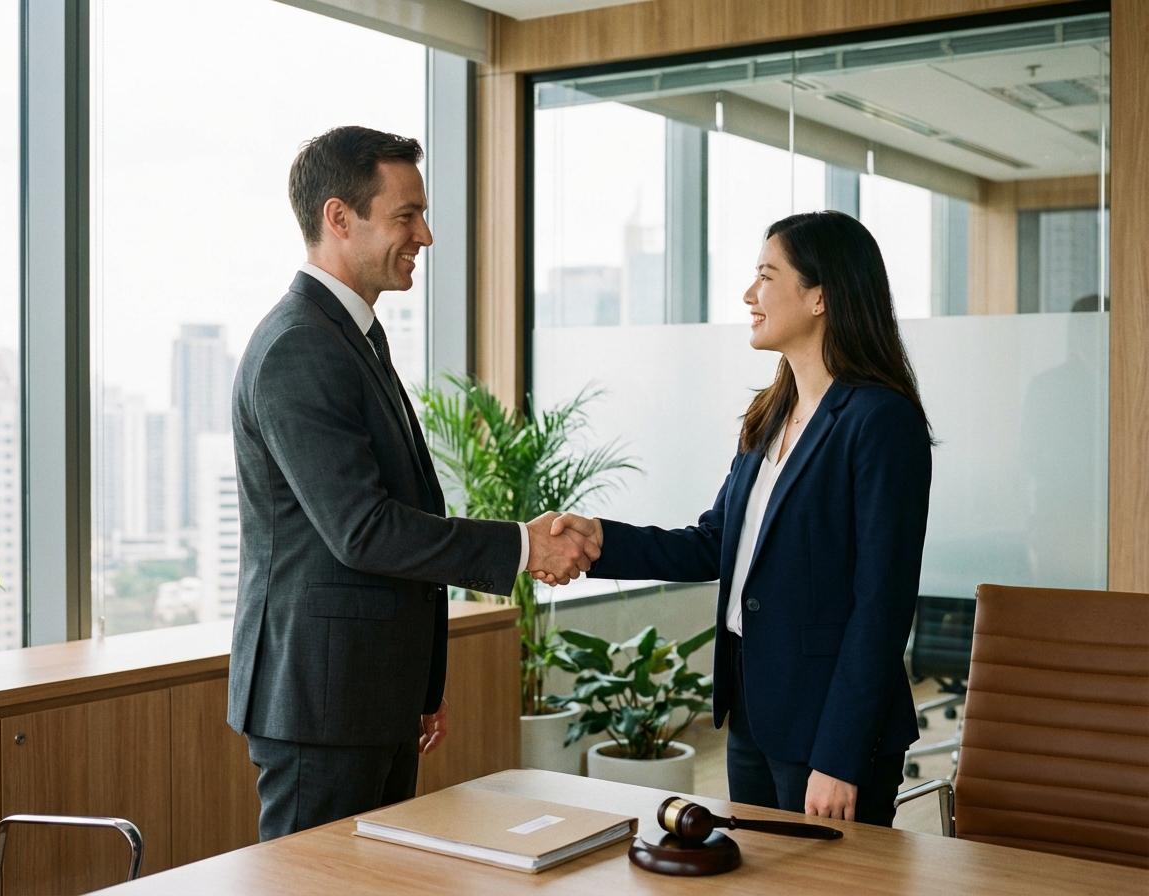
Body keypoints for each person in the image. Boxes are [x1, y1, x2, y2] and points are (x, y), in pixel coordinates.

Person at [227, 126, 598, 841]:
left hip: (371, 695)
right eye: (406, 216)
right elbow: (362, 530)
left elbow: (399, 515)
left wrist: (420, 685)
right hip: (322, 703)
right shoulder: (301, 344)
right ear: (339, 218)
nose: (424, 235)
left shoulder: (353, 335)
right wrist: (524, 547)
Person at [544, 211, 932, 827]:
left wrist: (840, 756)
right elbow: (715, 543)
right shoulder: (771, 412)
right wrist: (600, 542)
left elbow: (881, 606)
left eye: (766, 275)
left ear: (820, 296)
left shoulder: (880, 422)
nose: (749, 295)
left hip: (827, 727)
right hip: (754, 710)